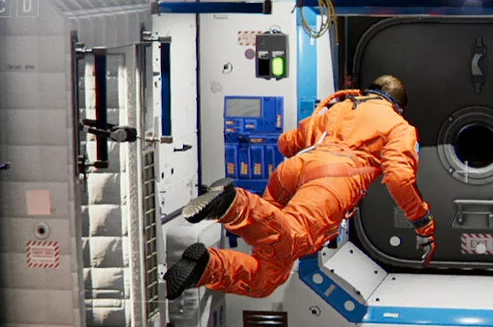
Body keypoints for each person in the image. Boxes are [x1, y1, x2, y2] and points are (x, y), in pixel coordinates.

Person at [164, 75, 436, 300]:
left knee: (268, 277)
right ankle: (234, 206)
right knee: (295, 240)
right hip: (333, 181)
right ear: (398, 106)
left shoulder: (338, 109)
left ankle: (206, 268)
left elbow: (286, 143)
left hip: (291, 173)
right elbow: (399, 179)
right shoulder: (399, 127)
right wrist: (423, 223)